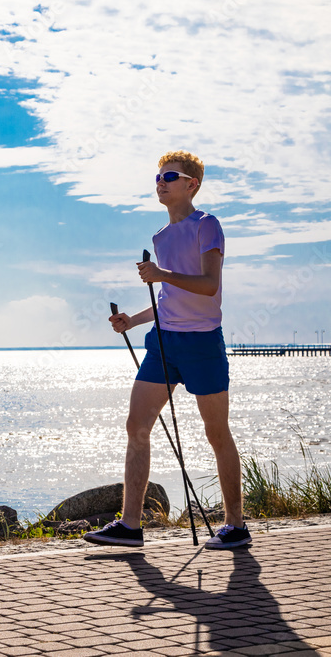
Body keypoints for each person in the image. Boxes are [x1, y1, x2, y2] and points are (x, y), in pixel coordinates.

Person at [84, 150, 250, 550]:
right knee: (136, 427)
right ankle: (129, 526)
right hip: (163, 342)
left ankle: (236, 525)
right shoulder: (160, 237)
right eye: (158, 176)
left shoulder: (206, 225)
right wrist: (133, 320)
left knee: (216, 432)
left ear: (191, 184)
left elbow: (208, 284)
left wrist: (159, 274)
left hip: (202, 342)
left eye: (170, 176)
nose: (161, 182)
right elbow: (170, 296)